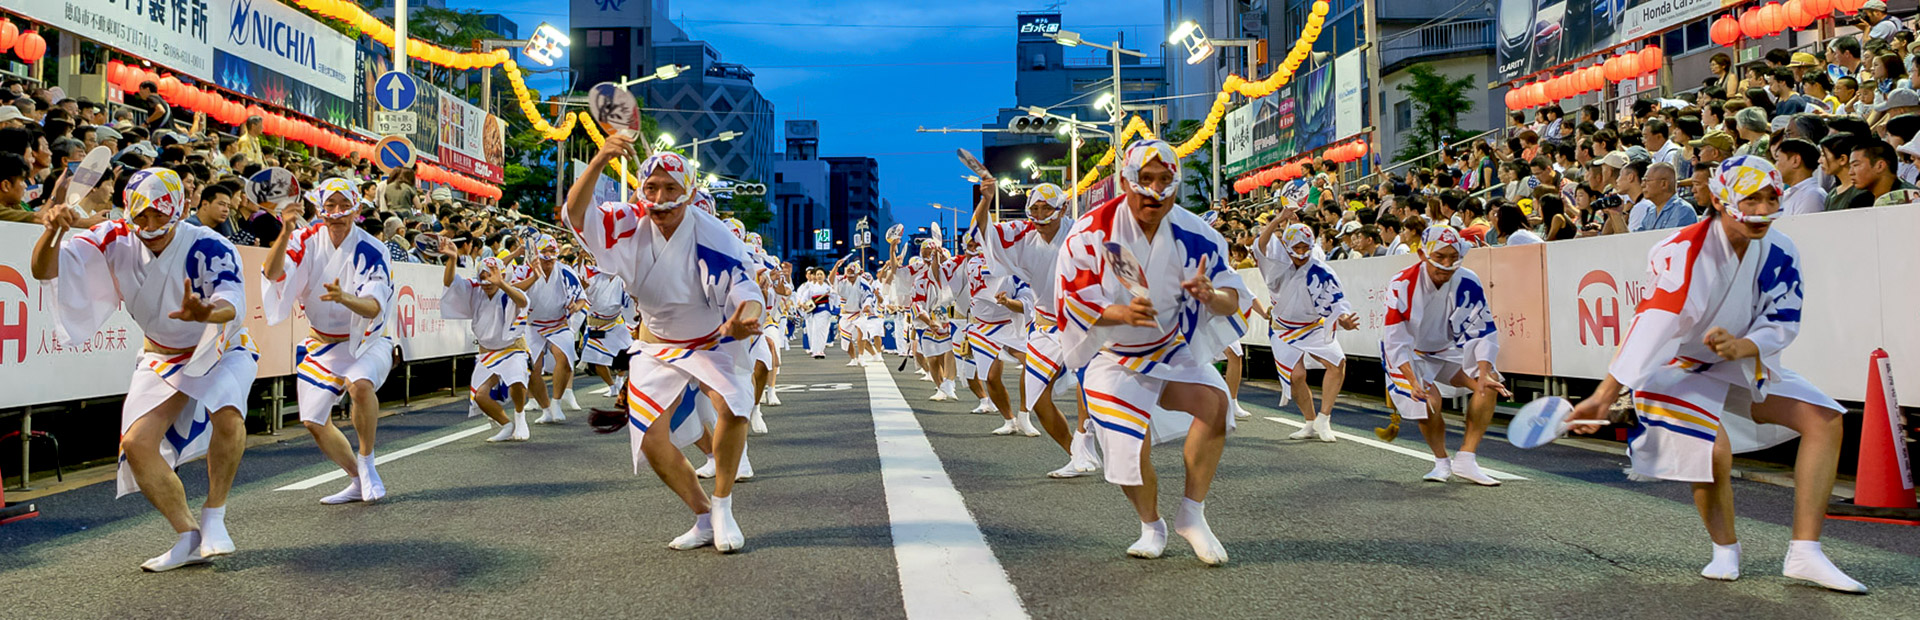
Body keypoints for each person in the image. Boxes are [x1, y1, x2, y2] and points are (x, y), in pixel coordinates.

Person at [1565, 157, 1865, 593]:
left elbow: (1784, 317)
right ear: (1723, 200)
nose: (1763, 209)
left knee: (1823, 419)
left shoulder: (1781, 250)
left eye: (1770, 198)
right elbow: (1655, 321)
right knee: (1712, 451)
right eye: (1751, 199)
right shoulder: (1681, 249)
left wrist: (1742, 346)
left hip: (1737, 357)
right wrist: (1605, 394)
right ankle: (1725, 549)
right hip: (1674, 364)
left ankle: (1805, 552)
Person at [31, 169, 257, 571]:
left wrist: (207, 311)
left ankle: (214, 514)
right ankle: (187, 535)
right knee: (136, 445)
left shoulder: (210, 244)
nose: (150, 226)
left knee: (227, 412)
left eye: (160, 215)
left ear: (181, 208)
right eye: (141, 217)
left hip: (219, 346)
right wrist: (52, 233)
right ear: (128, 211)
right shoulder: (115, 236)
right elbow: (44, 271)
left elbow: (232, 302)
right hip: (162, 354)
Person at [1053, 139, 1247, 565]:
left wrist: (1211, 296)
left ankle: (1192, 514)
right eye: (1145, 179)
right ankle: (1150, 524)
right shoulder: (1091, 231)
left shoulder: (1197, 234)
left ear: (1176, 185)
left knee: (1217, 406)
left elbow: (1235, 296)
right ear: (1127, 182)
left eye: (1164, 180)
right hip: (1113, 355)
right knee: (1128, 448)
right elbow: (1070, 299)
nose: (1154, 191)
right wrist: (1116, 312)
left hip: (1170, 346)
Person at [566, 141, 765, 554]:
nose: (660, 199)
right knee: (651, 441)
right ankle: (702, 513)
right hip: (655, 343)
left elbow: (745, 285)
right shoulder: (628, 219)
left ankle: (724, 507)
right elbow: (576, 214)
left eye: (671, 189)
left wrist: (744, 316)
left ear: (689, 191)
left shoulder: (715, 234)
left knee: (733, 407)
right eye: (652, 187)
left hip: (711, 339)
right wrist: (602, 158)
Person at [259, 178, 397, 503]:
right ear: (320, 209)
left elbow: (374, 306)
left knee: (359, 384)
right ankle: (356, 479)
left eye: (343, 205)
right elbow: (272, 273)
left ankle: (367, 463)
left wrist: (343, 297)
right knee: (313, 421)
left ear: (357, 209)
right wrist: (285, 231)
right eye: (330, 206)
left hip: (366, 340)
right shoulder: (304, 238)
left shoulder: (372, 249)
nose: (337, 213)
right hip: (321, 342)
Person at [977, 180, 1096, 474]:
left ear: (1063, 209)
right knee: (1036, 398)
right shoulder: (1023, 233)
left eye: (1047, 209)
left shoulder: (1082, 233)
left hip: (1082, 323)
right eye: (1035, 209)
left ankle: (1084, 446)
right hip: (1044, 325)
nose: (1041, 215)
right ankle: (1074, 454)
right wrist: (987, 200)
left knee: (1088, 386)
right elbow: (984, 232)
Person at [1381, 225, 1508, 486]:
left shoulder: (1468, 280)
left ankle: (1466, 458)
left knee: (1489, 384)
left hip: (1447, 349)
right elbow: (1395, 339)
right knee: (1429, 402)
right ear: (1422, 254)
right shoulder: (1402, 284)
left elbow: (1481, 330)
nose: (1447, 264)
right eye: (1439, 257)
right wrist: (1413, 381)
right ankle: (1441, 461)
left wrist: (1483, 373)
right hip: (1411, 353)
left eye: (1453, 257)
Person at [1252, 220, 1358, 442]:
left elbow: (1335, 301)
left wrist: (1344, 319)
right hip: (1282, 328)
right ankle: (1309, 421)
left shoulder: (1320, 270)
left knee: (1337, 363)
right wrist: (1278, 217)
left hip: (1312, 326)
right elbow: (1261, 245)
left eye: (1305, 247)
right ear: (1287, 246)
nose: (1301, 252)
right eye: (1296, 248)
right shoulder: (1277, 265)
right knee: (1296, 375)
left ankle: (1324, 417)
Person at [439, 244, 535, 442]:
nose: (488, 281)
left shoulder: (508, 291)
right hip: (487, 352)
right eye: (484, 276)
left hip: (512, 349)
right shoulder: (474, 290)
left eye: (493, 276)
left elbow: (523, 302)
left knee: (516, 381)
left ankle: (520, 416)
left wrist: (502, 283)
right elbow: (450, 282)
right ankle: (506, 425)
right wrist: (452, 259)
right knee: (480, 396)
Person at [517, 234, 586, 424]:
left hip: (558, 323)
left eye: (552, 252)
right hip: (532, 326)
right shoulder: (524, 271)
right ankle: (546, 409)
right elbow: (512, 290)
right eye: (544, 252)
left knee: (563, 358)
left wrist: (576, 307)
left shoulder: (565, 272)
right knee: (532, 369)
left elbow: (581, 298)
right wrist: (534, 276)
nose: (548, 257)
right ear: (536, 253)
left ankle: (556, 402)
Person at [1633, 163, 1699, 232]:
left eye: (1647, 180)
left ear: (1664, 184)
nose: (1642, 185)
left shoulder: (1682, 210)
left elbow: (1671, 240)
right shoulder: (1651, 211)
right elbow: (1636, 239)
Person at [1774, 138, 1828, 216]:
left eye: (1777, 159)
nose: (1775, 165)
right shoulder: (1788, 194)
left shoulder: (1812, 195)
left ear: (1795, 161)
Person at [794, 267, 836, 358]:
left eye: (821, 274)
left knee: (823, 331)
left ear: (825, 276)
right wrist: (803, 305)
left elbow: (835, 298)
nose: (819, 276)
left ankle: (820, 350)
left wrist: (834, 307)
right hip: (815, 311)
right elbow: (803, 299)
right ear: (815, 276)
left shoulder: (828, 287)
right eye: (818, 274)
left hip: (826, 310)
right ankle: (816, 350)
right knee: (815, 330)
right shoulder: (811, 288)